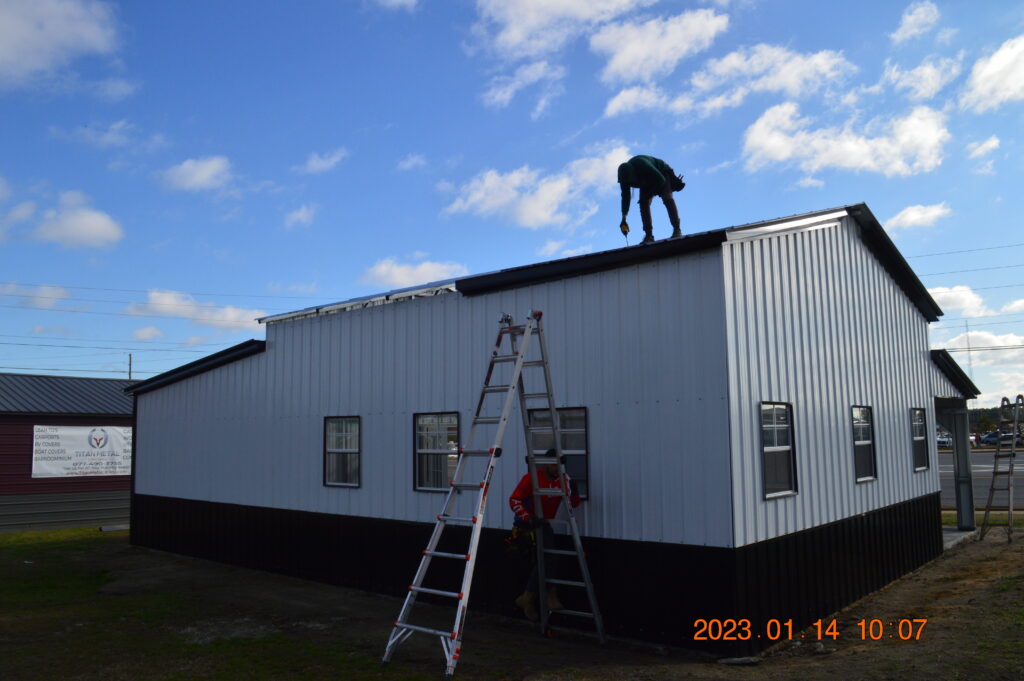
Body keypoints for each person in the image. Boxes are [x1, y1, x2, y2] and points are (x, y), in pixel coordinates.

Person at [508, 450, 581, 621]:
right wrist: (529, 517)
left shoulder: (564, 480)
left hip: (545, 524)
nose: (557, 468)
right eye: (554, 465)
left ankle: (529, 598)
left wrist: (576, 492)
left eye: (560, 465)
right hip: (526, 525)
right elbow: (514, 500)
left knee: (548, 559)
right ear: (545, 464)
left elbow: (573, 504)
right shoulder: (531, 478)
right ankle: (543, 597)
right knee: (545, 559)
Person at [618, 155, 685, 244]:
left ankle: (677, 229)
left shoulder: (642, 165)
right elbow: (626, 197)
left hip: (661, 173)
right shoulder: (624, 178)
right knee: (643, 203)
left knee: (667, 198)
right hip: (646, 180)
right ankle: (649, 236)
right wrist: (624, 218)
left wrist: (650, 193)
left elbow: (661, 180)